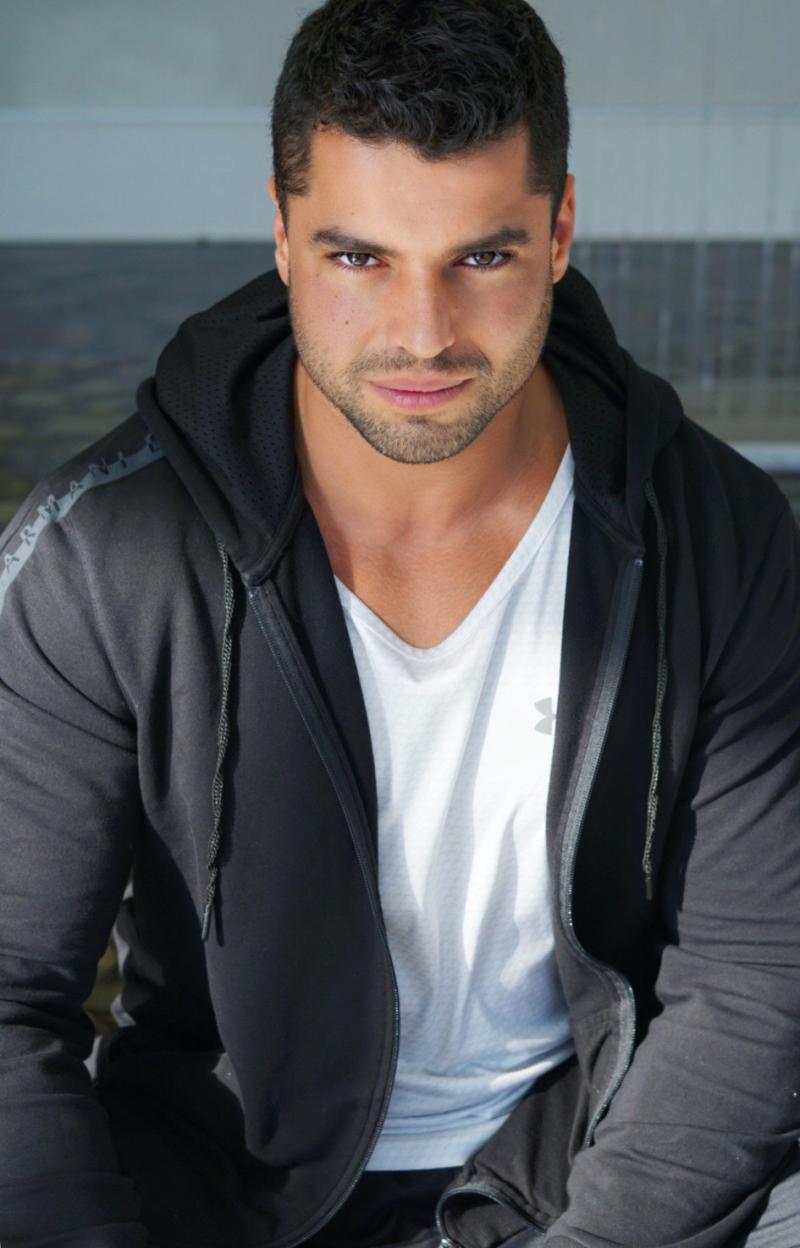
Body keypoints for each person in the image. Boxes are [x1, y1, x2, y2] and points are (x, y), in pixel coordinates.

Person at [1, 0, 799, 1244]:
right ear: (280, 236)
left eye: (479, 257)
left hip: (585, 1148)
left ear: (558, 232)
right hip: (224, 1184)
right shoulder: (104, 554)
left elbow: (755, 979)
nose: (421, 336)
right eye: (358, 259)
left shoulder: (715, 534)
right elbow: (9, 999)